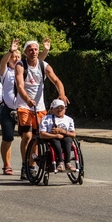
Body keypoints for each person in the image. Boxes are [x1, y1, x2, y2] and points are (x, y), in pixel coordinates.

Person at [15, 40, 69, 179]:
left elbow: (56, 81)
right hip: (24, 105)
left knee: (38, 137)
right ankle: (24, 164)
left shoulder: (43, 65)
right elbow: (20, 86)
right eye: (30, 50)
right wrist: (27, 99)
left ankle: (32, 165)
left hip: (39, 107)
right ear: (25, 52)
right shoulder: (21, 65)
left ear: (38, 51)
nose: (33, 52)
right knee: (27, 136)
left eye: (35, 49)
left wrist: (62, 94)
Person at [0, 39, 50, 176]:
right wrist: (10, 50)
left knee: (29, 136)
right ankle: (7, 164)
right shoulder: (6, 72)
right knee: (8, 138)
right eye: (13, 57)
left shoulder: (24, 67)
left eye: (18, 56)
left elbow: (37, 61)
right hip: (9, 109)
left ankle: (28, 165)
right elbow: (3, 62)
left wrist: (45, 50)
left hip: (24, 107)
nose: (16, 59)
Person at [38, 99, 77, 172]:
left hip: (65, 137)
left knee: (68, 139)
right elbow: (42, 134)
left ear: (64, 109)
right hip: (51, 138)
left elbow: (73, 134)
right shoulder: (46, 119)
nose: (59, 110)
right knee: (55, 141)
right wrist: (56, 136)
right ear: (52, 110)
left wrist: (62, 131)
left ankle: (68, 163)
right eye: (57, 108)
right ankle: (60, 163)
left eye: (61, 108)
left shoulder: (69, 119)